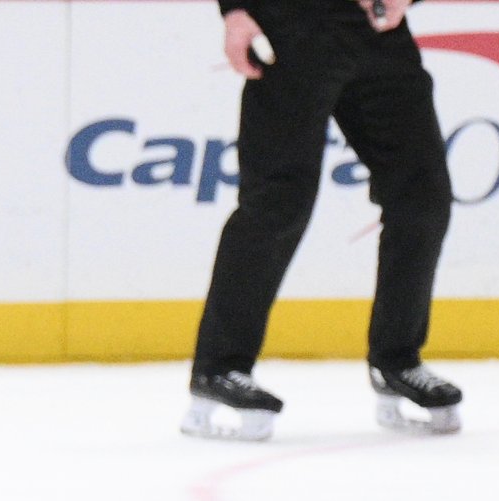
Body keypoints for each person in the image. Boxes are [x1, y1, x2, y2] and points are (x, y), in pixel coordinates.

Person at [181, 0, 464, 441]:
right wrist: (235, 10)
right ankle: (220, 367)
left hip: (376, 29)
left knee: (422, 197)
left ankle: (397, 359)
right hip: (290, 24)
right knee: (278, 201)